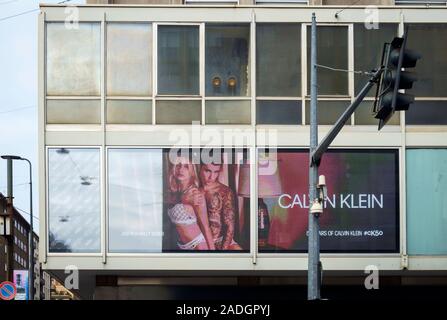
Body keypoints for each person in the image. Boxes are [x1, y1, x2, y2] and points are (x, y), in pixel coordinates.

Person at [166, 155, 215, 250]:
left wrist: (214, 255)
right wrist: (183, 200)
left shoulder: (195, 195)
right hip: (182, 247)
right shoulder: (175, 193)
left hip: (199, 246)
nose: (181, 169)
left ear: (192, 172)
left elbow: (206, 228)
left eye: (186, 167)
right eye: (178, 165)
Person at [199, 159, 242, 250]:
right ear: (200, 168)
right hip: (200, 241)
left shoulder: (225, 192)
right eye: (208, 171)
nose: (212, 176)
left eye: (216, 172)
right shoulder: (195, 191)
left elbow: (230, 227)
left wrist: (223, 251)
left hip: (222, 241)